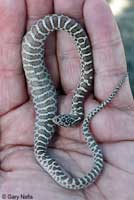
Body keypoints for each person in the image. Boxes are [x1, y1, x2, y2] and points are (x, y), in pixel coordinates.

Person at [0, 0, 134, 199]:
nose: (56, 120)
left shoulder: (77, 106)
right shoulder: (76, 103)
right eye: (59, 119)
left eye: (59, 120)